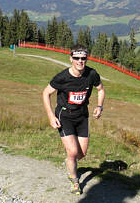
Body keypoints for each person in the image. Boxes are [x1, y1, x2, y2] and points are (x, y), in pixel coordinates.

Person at [42, 44, 105, 194]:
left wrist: (99, 106)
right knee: (72, 152)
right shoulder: (62, 77)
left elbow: (101, 89)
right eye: (76, 58)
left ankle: (70, 162)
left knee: (81, 154)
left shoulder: (91, 74)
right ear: (71, 59)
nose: (80, 61)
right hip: (64, 116)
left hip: (82, 116)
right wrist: (51, 116)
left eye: (83, 58)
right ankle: (75, 181)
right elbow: (45, 93)